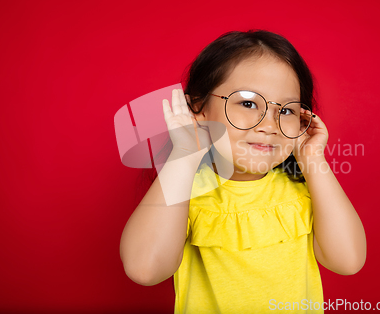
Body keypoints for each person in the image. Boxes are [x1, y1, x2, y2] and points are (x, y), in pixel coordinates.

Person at [119, 30, 367, 313]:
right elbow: (145, 269)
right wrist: (184, 155)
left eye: (286, 110)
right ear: (198, 108)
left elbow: (348, 261)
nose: (269, 125)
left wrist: (311, 158)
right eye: (248, 103)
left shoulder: (306, 193)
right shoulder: (186, 196)